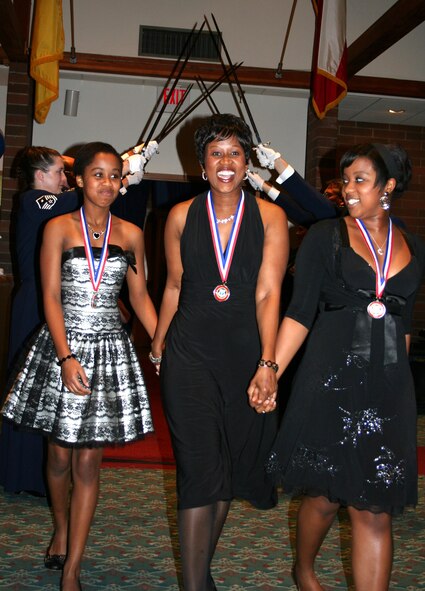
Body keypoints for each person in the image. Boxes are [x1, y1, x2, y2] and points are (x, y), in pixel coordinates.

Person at [248, 143, 425, 591]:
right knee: (325, 497)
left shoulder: (415, 248)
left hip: (387, 391)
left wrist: (397, 389)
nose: (347, 190)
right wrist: (270, 368)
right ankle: (304, 569)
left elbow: (402, 325)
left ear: (387, 187)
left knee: (374, 508)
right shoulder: (326, 236)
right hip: (329, 382)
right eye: (345, 181)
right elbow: (299, 313)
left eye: (359, 180)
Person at [2, 142, 158, 591]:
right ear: (79, 180)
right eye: (98, 174)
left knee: (89, 462)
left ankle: (73, 566)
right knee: (58, 456)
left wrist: (164, 342)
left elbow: (140, 297)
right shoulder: (57, 227)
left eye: (114, 175)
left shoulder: (129, 233)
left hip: (110, 350)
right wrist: (66, 355)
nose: (107, 183)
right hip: (62, 348)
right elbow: (49, 296)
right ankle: (61, 527)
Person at [150, 113, 288, 591]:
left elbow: (269, 294)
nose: (225, 162)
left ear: (247, 162)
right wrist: (157, 341)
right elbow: (172, 284)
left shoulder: (270, 217)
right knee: (198, 468)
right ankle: (193, 585)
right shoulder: (182, 215)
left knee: (226, 469)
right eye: (215, 153)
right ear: (202, 164)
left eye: (234, 152)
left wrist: (268, 363)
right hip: (188, 355)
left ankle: (199, 574)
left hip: (245, 358)